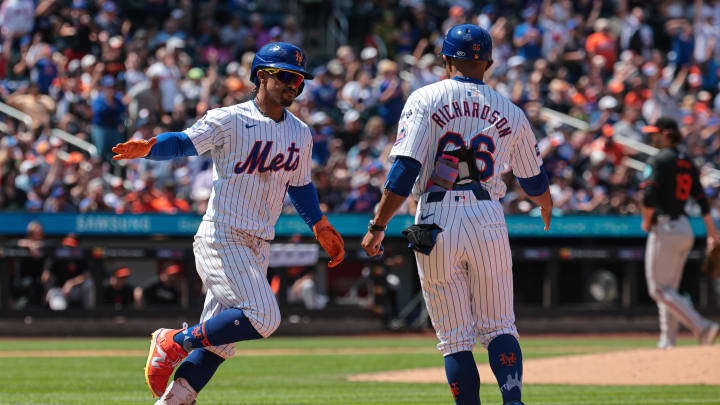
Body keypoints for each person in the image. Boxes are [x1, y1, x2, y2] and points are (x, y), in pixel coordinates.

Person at [112, 42, 345, 404]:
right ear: (261, 77)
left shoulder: (300, 132)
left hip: (257, 244)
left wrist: (319, 224)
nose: (292, 86)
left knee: (219, 344)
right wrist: (150, 148)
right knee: (265, 318)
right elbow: (184, 143)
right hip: (223, 235)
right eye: (284, 76)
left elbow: (299, 185)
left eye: (298, 81)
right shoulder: (230, 118)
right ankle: (173, 342)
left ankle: (173, 401)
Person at [361, 24, 552, 405]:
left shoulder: (425, 98)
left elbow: (404, 172)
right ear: (489, 63)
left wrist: (377, 225)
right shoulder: (510, 110)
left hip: (435, 216)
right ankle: (512, 401)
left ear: (446, 60)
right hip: (487, 215)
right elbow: (533, 181)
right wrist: (545, 204)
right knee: (500, 325)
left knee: (455, 338)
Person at [640, 117, 720, 349]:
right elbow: (702, 200)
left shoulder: (659, 160)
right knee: (669, 291)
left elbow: (648, 196)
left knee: (657, 289)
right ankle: (668, 340)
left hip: (665, 227)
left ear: (666, 133)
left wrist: (646, 221)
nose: (652, 136)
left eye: (655, 132)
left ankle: (702, 326)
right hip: (685, 228)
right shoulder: (687, 162)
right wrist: (712, 233)